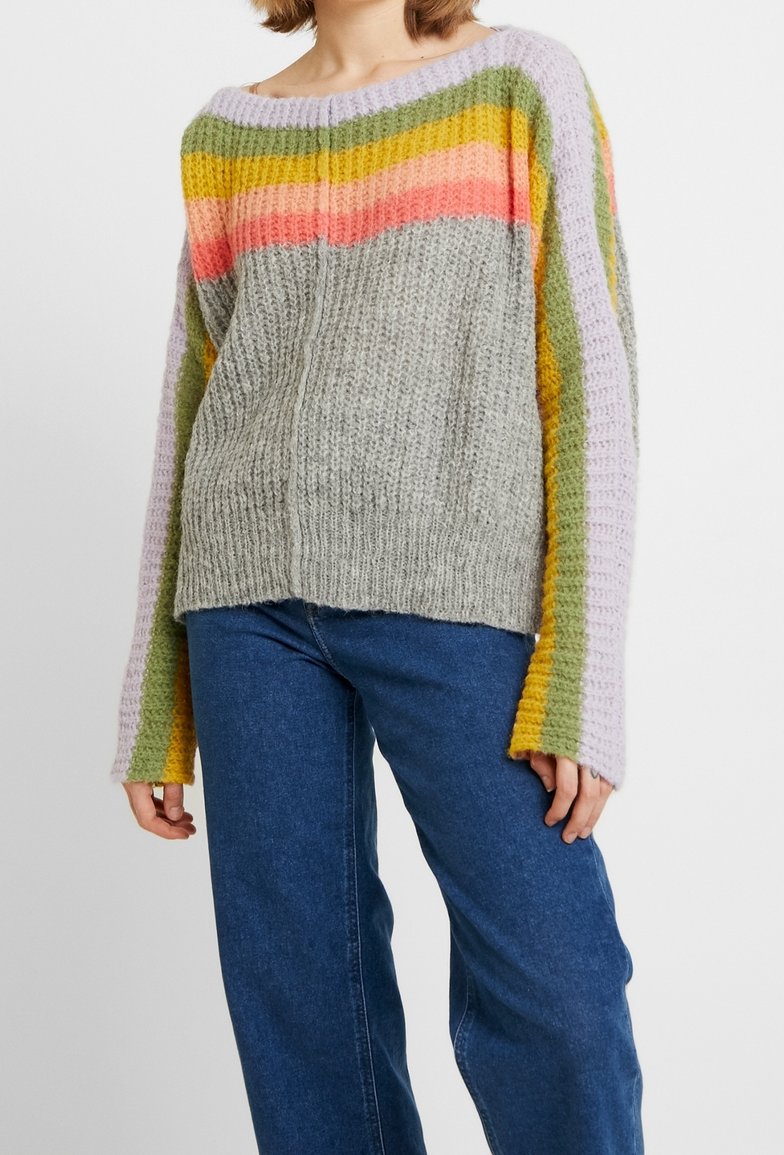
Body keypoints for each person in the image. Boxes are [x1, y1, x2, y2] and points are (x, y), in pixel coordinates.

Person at [110, 1, 644, 1150]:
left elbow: (588, 368)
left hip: (461, 599)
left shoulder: (519, 81)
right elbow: (190, 403)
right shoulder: (227, 131)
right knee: (300, 1011)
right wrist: (157, 697)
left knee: (558, 996)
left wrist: (581, 673)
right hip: (244, 614)